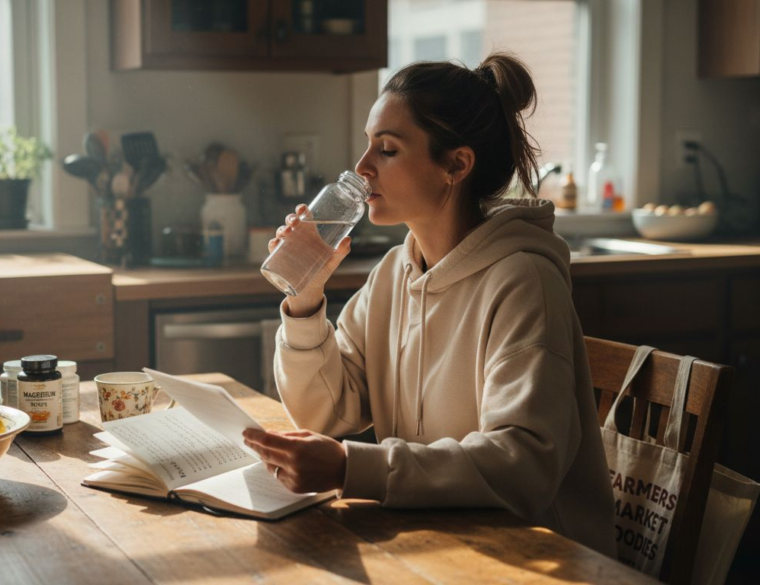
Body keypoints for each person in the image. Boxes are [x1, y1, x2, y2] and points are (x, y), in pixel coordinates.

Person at [242, 52, 615, 557]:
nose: (362, 168)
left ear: (456, 165)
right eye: (367, 145)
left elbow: (523, 465)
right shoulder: (395, 273)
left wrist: (355, 468)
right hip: (433, 538)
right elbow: (327, 415)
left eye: (388, 149)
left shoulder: (523, 280)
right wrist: (307, 303)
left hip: (534, 556)